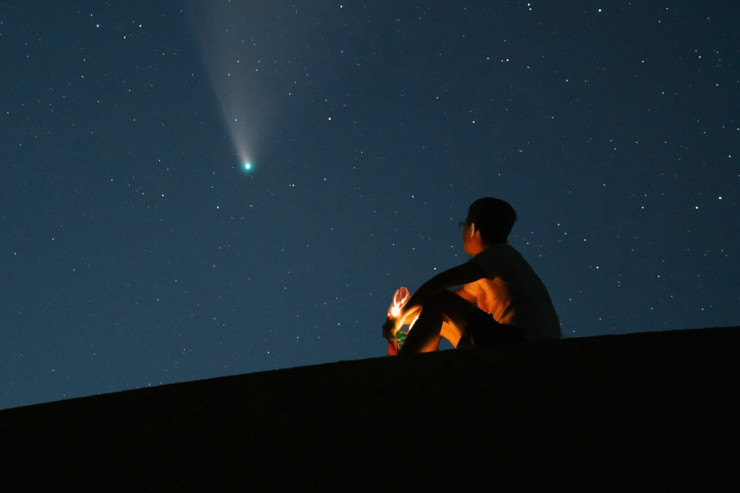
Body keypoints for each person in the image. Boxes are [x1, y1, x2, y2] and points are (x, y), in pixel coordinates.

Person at [383, 197, 561, 354]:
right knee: (438, 315)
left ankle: (402, 367)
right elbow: (443, 305)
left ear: (473, 228)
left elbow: (439, 285)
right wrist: (399, 319)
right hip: (510, 339)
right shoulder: (493, 267)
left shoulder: (499, 255)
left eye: (464, 225)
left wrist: (401, 317)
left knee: (440, 301)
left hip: (525, 343)